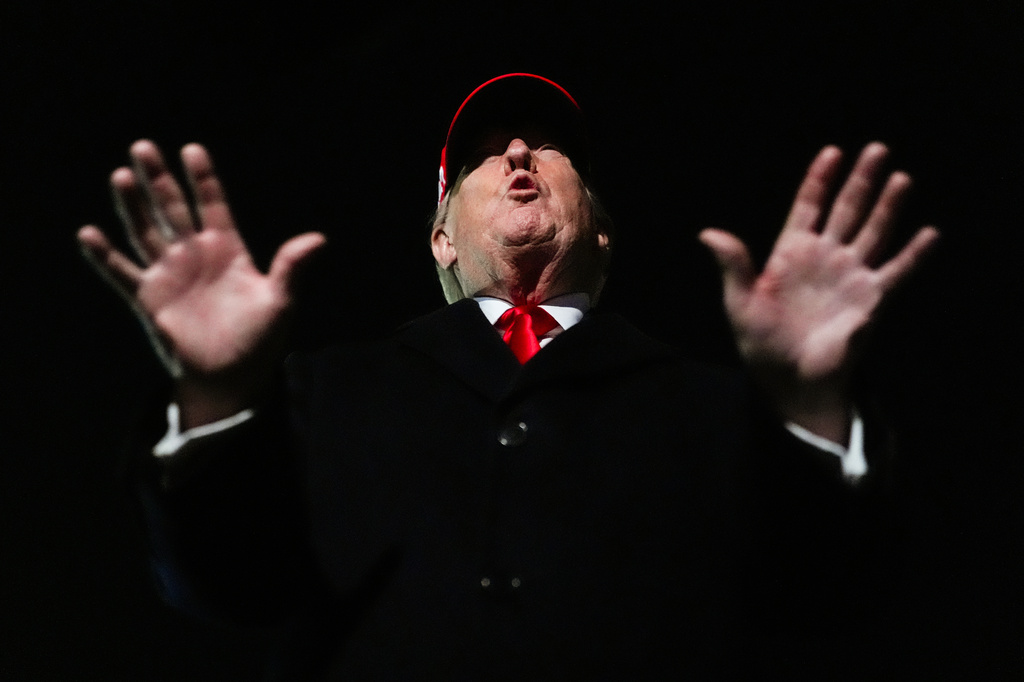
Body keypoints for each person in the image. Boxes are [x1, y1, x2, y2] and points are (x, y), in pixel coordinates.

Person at [78, 74, 938, 680]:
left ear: (601, 233)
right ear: (442, 240)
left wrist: (808, 404)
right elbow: (221, 588)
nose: (521, 152)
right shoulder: (320, 393)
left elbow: (831, 597)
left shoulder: (716, 408)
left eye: (547, 145)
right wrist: (222, 398)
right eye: (486, 155)